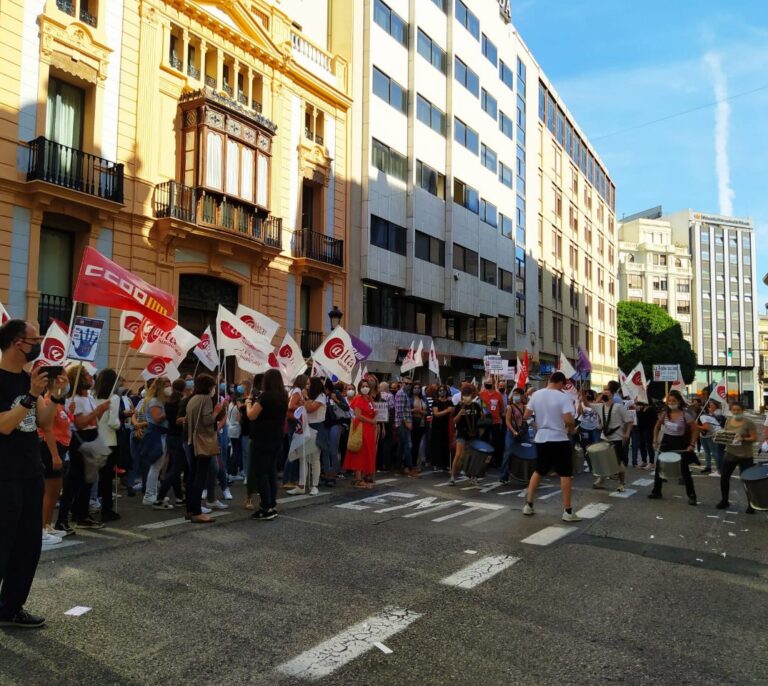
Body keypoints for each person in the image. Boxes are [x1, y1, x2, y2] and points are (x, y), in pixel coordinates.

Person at [0, 319, 67, 628]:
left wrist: (54, 394)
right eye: (34, 339)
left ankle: (11, 608)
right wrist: (29, 395)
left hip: (30, 472)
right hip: (4, 475)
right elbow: (4, 425)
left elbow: (44, 422)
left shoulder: (28, 379)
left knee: (28, 546)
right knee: (4, 543)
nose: (39, 344)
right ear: (18, 342)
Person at [521, 372, 582, 522]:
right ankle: (567, 511)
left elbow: (526, 415)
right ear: (561, 383)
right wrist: (572, 429)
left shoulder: (536, 395)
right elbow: (568, 419)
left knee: (539, 470)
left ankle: (528, 505)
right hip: (559, 438)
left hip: (541, 437)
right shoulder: (563, 397)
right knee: (565, 473)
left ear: (549, 380)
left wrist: (536, 424)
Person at [59, 365, 110, 529]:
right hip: (81, 440)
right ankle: (64, 517)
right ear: (80, 379)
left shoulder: (88, 398)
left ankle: (81, 514)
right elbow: (80, 424)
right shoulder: (74, 400)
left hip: (92, 436)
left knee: (89, 479)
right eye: (87, 375)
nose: (91, 377)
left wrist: (100, 410)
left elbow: (94, 421)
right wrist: (99, 410)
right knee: (75, 479)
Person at [246, 369, 288, 520]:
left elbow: (252, 415)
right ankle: (271, 504)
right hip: (276, 437)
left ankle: (265, 507)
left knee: (261, 472)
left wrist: (248, 404)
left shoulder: (265, 396)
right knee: (270, 471)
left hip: (262, 438)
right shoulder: (283, 396)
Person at [647, 391, 699, 505]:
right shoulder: (665, 414)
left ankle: (692, 496)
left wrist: (692, 445)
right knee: (659, 467)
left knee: (684, 470)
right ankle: (656, 491)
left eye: (673, 401)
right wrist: (655, 441)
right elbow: (656, 427)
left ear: (679, 401)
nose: (671, 403)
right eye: (669, 401)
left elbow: (695, 429)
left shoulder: (685, 414)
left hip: (680, 443)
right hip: (667, 441)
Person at [185, 374, 224, 523]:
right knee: (200, 477)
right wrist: (217, 410)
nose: (214, 389)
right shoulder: (206, 399)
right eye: (213, 386)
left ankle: (190, 509)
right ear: (209, 387)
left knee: (192, 476)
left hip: (191, 441)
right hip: (203, 442)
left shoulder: (192, 399)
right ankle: (197, 511)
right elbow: (208, 420)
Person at [38, 374, 70, 541]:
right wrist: (55, 455)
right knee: (48, 492)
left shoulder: (57, 403)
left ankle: (48, 525)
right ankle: (42, 529)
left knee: (55, 490)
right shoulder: (48, 401)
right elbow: (47, 429)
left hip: (61, 448)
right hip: (51, 449)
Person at [717, 401, 757, 513]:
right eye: (733, 410)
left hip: (745, 455)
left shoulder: (749, 423)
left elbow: (754, 438)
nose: (735, 412)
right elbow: (726, 434)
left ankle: (751, 504)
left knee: (747, 480)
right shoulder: (729, 421)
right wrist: (721, 437)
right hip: (730, 453)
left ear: (742, 410)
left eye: (738, 410)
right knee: (724, 477)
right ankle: (724, 500)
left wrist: (743, 438)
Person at [94, 368, 122, 521]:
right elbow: (113, 422)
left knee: (94, 476)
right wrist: (120, 424)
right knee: (107, 477)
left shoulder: (92, 396)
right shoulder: (114, 398)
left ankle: (92, 504)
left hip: (94, 439)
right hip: (109, 440)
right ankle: (107, 509)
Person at [154, 378, 187, 509]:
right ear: (184, 389)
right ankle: (160, 498)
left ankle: (179, 497)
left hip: (170, 436)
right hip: (179, 437)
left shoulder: (168, 402)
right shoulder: (181, 403)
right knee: (176, 469)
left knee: (175, 467)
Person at [290, 377, 325, 495]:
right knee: (303, 457)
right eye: (307, 384)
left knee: (315, 458)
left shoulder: (321, 396)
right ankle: (301, 485)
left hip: (316, 428)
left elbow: (310, 409)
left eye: (310, 384)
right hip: (304, 427)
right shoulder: (307, 396)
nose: (307, 386)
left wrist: (305, 397)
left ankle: (314, 485)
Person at [593, 387, 633, 492]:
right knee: (602, 460)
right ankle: (601, 480)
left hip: (616, 438)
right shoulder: (600, 407)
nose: (605, 396)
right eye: (603, 394)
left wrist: (627, 433)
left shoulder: (619, 407)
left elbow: (629, 422)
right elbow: (587, 404)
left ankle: (621, 483)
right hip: (604, 437)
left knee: (618, 461)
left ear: (612, 396)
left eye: (607, 394)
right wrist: (599, 397)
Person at [139, 377, 170, 506]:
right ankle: (149, 495)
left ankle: (153, 493)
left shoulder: (161, 401)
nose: (169, 388)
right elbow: (157, 418)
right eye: (167, 386)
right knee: (155, 466)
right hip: (156, 435)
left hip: (161, 435)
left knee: (158, 466)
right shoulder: (154, 402)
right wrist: (169, 411)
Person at [344, 378, 378, 489]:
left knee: (367, 453)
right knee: (360, 452)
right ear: (359, 388)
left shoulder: (370, 399)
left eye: (366, 386)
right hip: (361, 428)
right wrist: (371, 421)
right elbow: (358, 415)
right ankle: (358, 479)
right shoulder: (358, 399)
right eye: (363, 386)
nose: (365, 388)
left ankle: (364, 477)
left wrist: (376, 418)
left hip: (370, 429)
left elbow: (373, 412)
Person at [449, 384, 482, 486]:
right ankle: (452, 477)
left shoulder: (476, 406)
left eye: (469, 394)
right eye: (465, 394)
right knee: (458, 455)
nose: (467, 396)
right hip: (462, 434)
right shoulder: (458, 406)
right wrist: (460, 413)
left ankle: (473, 476)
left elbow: (482, 419)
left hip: (474, 434)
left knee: (474, 456)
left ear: (472, 395)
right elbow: (454, 421)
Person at [499, 387, 527, 483]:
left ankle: (522, 475)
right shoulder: (510, 407)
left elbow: (528, 419)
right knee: (508, 453)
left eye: (517, 394)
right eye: (514, 394)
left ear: (522, 396)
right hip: (511, 433)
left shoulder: (525, 407)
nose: (515, 396)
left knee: (525, 453)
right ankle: (503, 476)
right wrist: (513, 431)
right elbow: (507, 422)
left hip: (522, 432)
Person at [479, 379, 504, 466]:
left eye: (490, 383)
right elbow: (479, 406)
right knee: (484, 441)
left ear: (493, 384)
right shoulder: (481, 394)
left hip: (495, 422)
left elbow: (502, 408)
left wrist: (497, 415)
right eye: (486, 383)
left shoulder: (498, 395)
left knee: (496, 442)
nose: (488, 385)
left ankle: (496, 461)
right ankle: (484, 460)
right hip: (485, 422)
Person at [430, 385, 453, 471]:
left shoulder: (449, 402)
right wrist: (447, 410)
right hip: (437, 426)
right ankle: (436, 463)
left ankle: (445, 464)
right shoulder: (435, 402)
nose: (442, 392)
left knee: (445, 445)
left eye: (443, 390)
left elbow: (453, 412)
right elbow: (436, 414)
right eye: (440, 390)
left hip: (446, 426)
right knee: (436, 445)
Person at [697, 400, 722, 475]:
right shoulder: (700, 417)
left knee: (714, 452)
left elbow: (707, 427)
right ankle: (708, 467)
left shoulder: (703, 417)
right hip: (704, 435)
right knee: (707, 452)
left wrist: (695, 425)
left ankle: (719, 470)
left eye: (712, 404)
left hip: (711, 435)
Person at [394, 379, 413, 474]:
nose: (408, 385)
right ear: (402, 383)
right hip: (403, 423)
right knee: (407, 445)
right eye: (406, 383)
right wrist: (407, 423)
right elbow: (400, 411)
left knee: (401, 447)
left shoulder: (405, 393)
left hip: (403, 423)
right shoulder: (401, 394)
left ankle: (398, 467)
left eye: (410, 384)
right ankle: (410, 468)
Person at [635, 400, 658, 470]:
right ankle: (644, 461)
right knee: (641, 445)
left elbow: (652, 420)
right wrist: (639, 411)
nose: (639, 406)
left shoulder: (651, 409)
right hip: (641, 429)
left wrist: (644, 411)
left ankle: (651, 462)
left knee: (649, 445)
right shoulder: (641, 409)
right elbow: (640, 418)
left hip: (649, 430)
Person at [410, 381, 427, 474]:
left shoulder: (423, 399)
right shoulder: (410, 398)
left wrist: (421, 411)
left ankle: (417, 464)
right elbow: (406, 410)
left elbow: (427, 411)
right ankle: (411, 464)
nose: (416, 390)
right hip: (412, 423)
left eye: (418, 388)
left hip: (422, 423)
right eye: (415, 388)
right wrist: (414, 410)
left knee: (419, 445)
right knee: (413, 444)